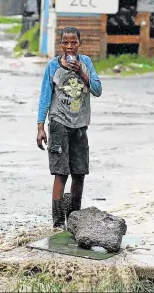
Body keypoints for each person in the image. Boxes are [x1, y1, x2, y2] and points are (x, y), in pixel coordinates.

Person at [36, 26, 102, 229]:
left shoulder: (87, 63)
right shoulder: (52, 66)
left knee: (79, 173)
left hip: (80, 125)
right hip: (58, 123)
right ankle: (57, 223)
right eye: (65, 42)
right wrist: (40, 127)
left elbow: (98, 90)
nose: (69, 46)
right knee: (61, 173)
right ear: (61, 44)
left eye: (74, 42)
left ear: (79, 44)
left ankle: (74, 219)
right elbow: (45, 97)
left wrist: (82, 73)